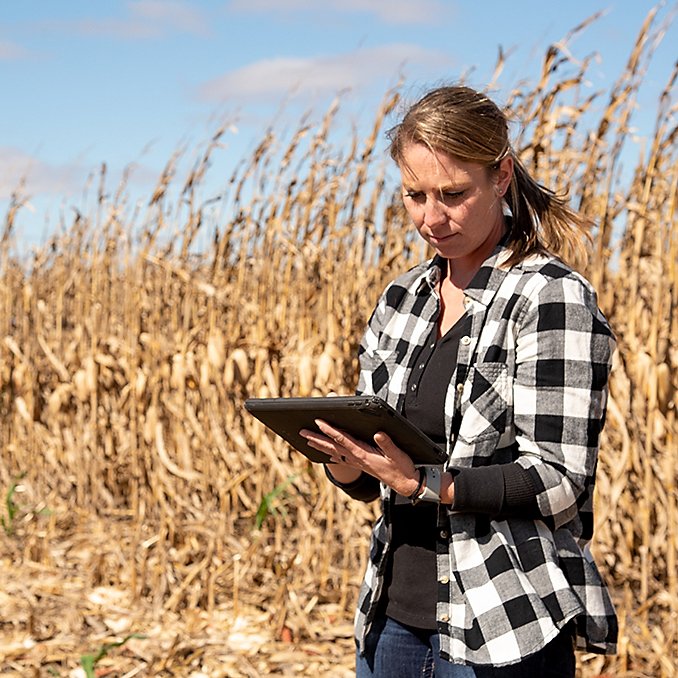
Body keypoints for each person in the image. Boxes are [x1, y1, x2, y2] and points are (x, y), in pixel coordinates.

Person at [299, 85, 618, 677]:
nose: (431, 218)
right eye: (414, 196)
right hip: (392, 619)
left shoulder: (551, 297)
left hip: (503, 625)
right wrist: (342, 458)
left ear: (501, 177)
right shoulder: (402, 299)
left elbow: (557, 479)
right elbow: (375, 482)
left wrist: (425, 483)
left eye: (453, 194)